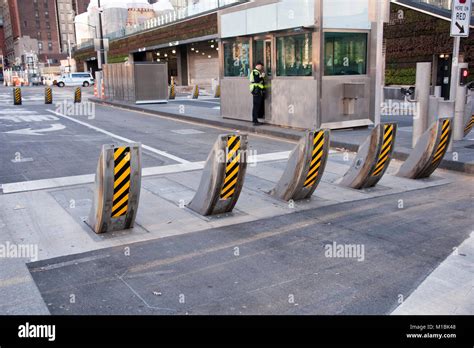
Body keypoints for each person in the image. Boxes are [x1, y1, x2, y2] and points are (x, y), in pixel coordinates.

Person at [249, 61, 266, 126]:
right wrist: (262, 76)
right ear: (258, 65)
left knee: (256, 105)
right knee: (256, 106)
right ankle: (255, 121)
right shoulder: (255, 72)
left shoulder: (256, 72)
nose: (261, 68)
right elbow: (257, 80)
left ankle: (255, 119)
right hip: (257, 90)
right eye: (261, 66)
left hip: (257, 90)